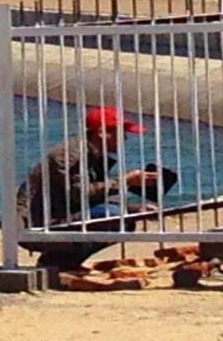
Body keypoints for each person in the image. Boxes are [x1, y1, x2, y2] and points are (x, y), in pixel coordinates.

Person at [17, 105, 171, 271]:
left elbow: (94, 198)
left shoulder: (93, 155)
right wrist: (124, 181)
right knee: (114, 217)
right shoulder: (70, 156)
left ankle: (61, 261)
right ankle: (58, 260)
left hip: (57, 217)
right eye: (119, 133)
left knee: (123, 219)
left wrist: (135, 209)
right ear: (102, 132)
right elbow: (77, 194)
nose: (124, 138)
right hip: (38, 224)